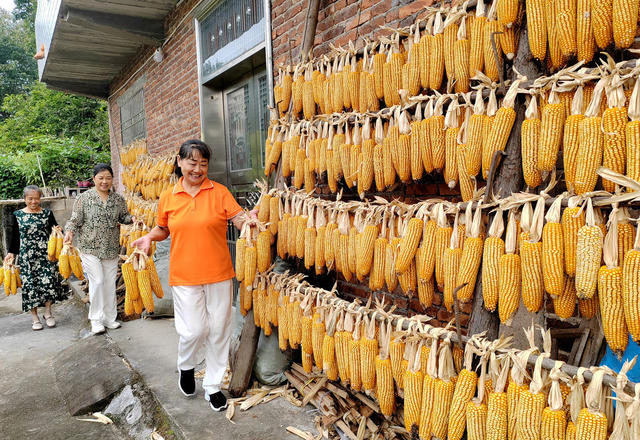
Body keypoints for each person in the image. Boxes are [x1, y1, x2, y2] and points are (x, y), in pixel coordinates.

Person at [133, 139, 252, 412]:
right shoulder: (168, 196)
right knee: (194, 330)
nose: (197, 169)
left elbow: (238, 220)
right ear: (179, 161)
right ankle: (186, 366)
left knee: (219, 330)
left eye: (203, 163)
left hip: (220, 273)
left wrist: (251, 220)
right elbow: (164, 229)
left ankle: (212, 386)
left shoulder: (219, 192)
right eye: (192, 162)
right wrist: (150, 237)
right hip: (184, 274)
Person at [64, 164, 134, 334]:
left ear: (112, 179)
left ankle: (110, 318)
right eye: (101, 178)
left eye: (108, 178)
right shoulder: (84, 199)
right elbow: (75, 219)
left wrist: (133, 218)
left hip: (110, 248)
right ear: (94, 178)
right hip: (89, 247)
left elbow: (124, 217)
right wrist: (69, 232)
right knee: (98, 281)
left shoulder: (117, 199)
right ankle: (96, 319)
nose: (104, 181)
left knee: (109, 283)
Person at [5, 185, 66, 330]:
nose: (33, 202)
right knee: (30, 286)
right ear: (25, 199)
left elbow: (55, 228)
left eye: (36, 198)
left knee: (49, 283)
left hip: (46, 254)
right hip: (27, 256)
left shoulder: (47, 213)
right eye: (30, 199)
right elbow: (14, 237)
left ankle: (48, 313)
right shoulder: (18, 215)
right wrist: (11, 253)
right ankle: (35, 318)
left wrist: (59, 230)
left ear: (40, 198)